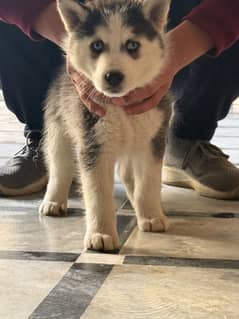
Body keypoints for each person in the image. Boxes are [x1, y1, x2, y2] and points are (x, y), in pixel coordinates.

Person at [0, 0, 239, 198]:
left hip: (173, 19)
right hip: (68, 16)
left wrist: (171, 55)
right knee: (11, 20)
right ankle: (43, 139)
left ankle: (188, 138)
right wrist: (79, 43)